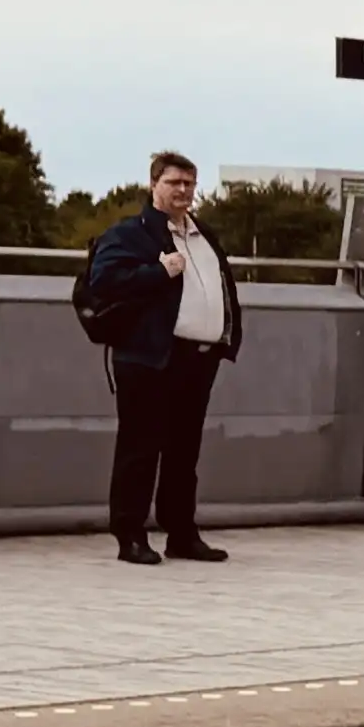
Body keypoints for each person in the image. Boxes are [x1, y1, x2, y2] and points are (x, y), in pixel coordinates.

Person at [78, 150, 244, 567]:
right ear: (154, 184)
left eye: (189, 183)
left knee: (184, 451)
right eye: (174, 183)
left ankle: (181, 533)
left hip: (197, 358)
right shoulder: (132, 234)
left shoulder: (203, 235)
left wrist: (225, 338)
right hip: (148, 357)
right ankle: (130, 535)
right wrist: (159, 272)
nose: (183, 191)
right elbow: (105, 280)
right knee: (140, 446)